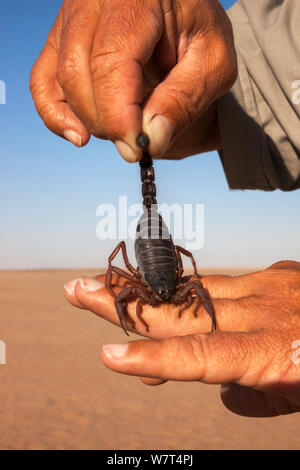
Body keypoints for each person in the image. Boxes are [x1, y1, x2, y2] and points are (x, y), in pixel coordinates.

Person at [30, 0, 300, 417]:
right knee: (145, 277)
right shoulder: (151, 282)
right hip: (154, 250)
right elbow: (139, 272)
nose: (167, 296)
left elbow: (184, 274)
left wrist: (187, 286)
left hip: (158, 252)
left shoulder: (178, 284)